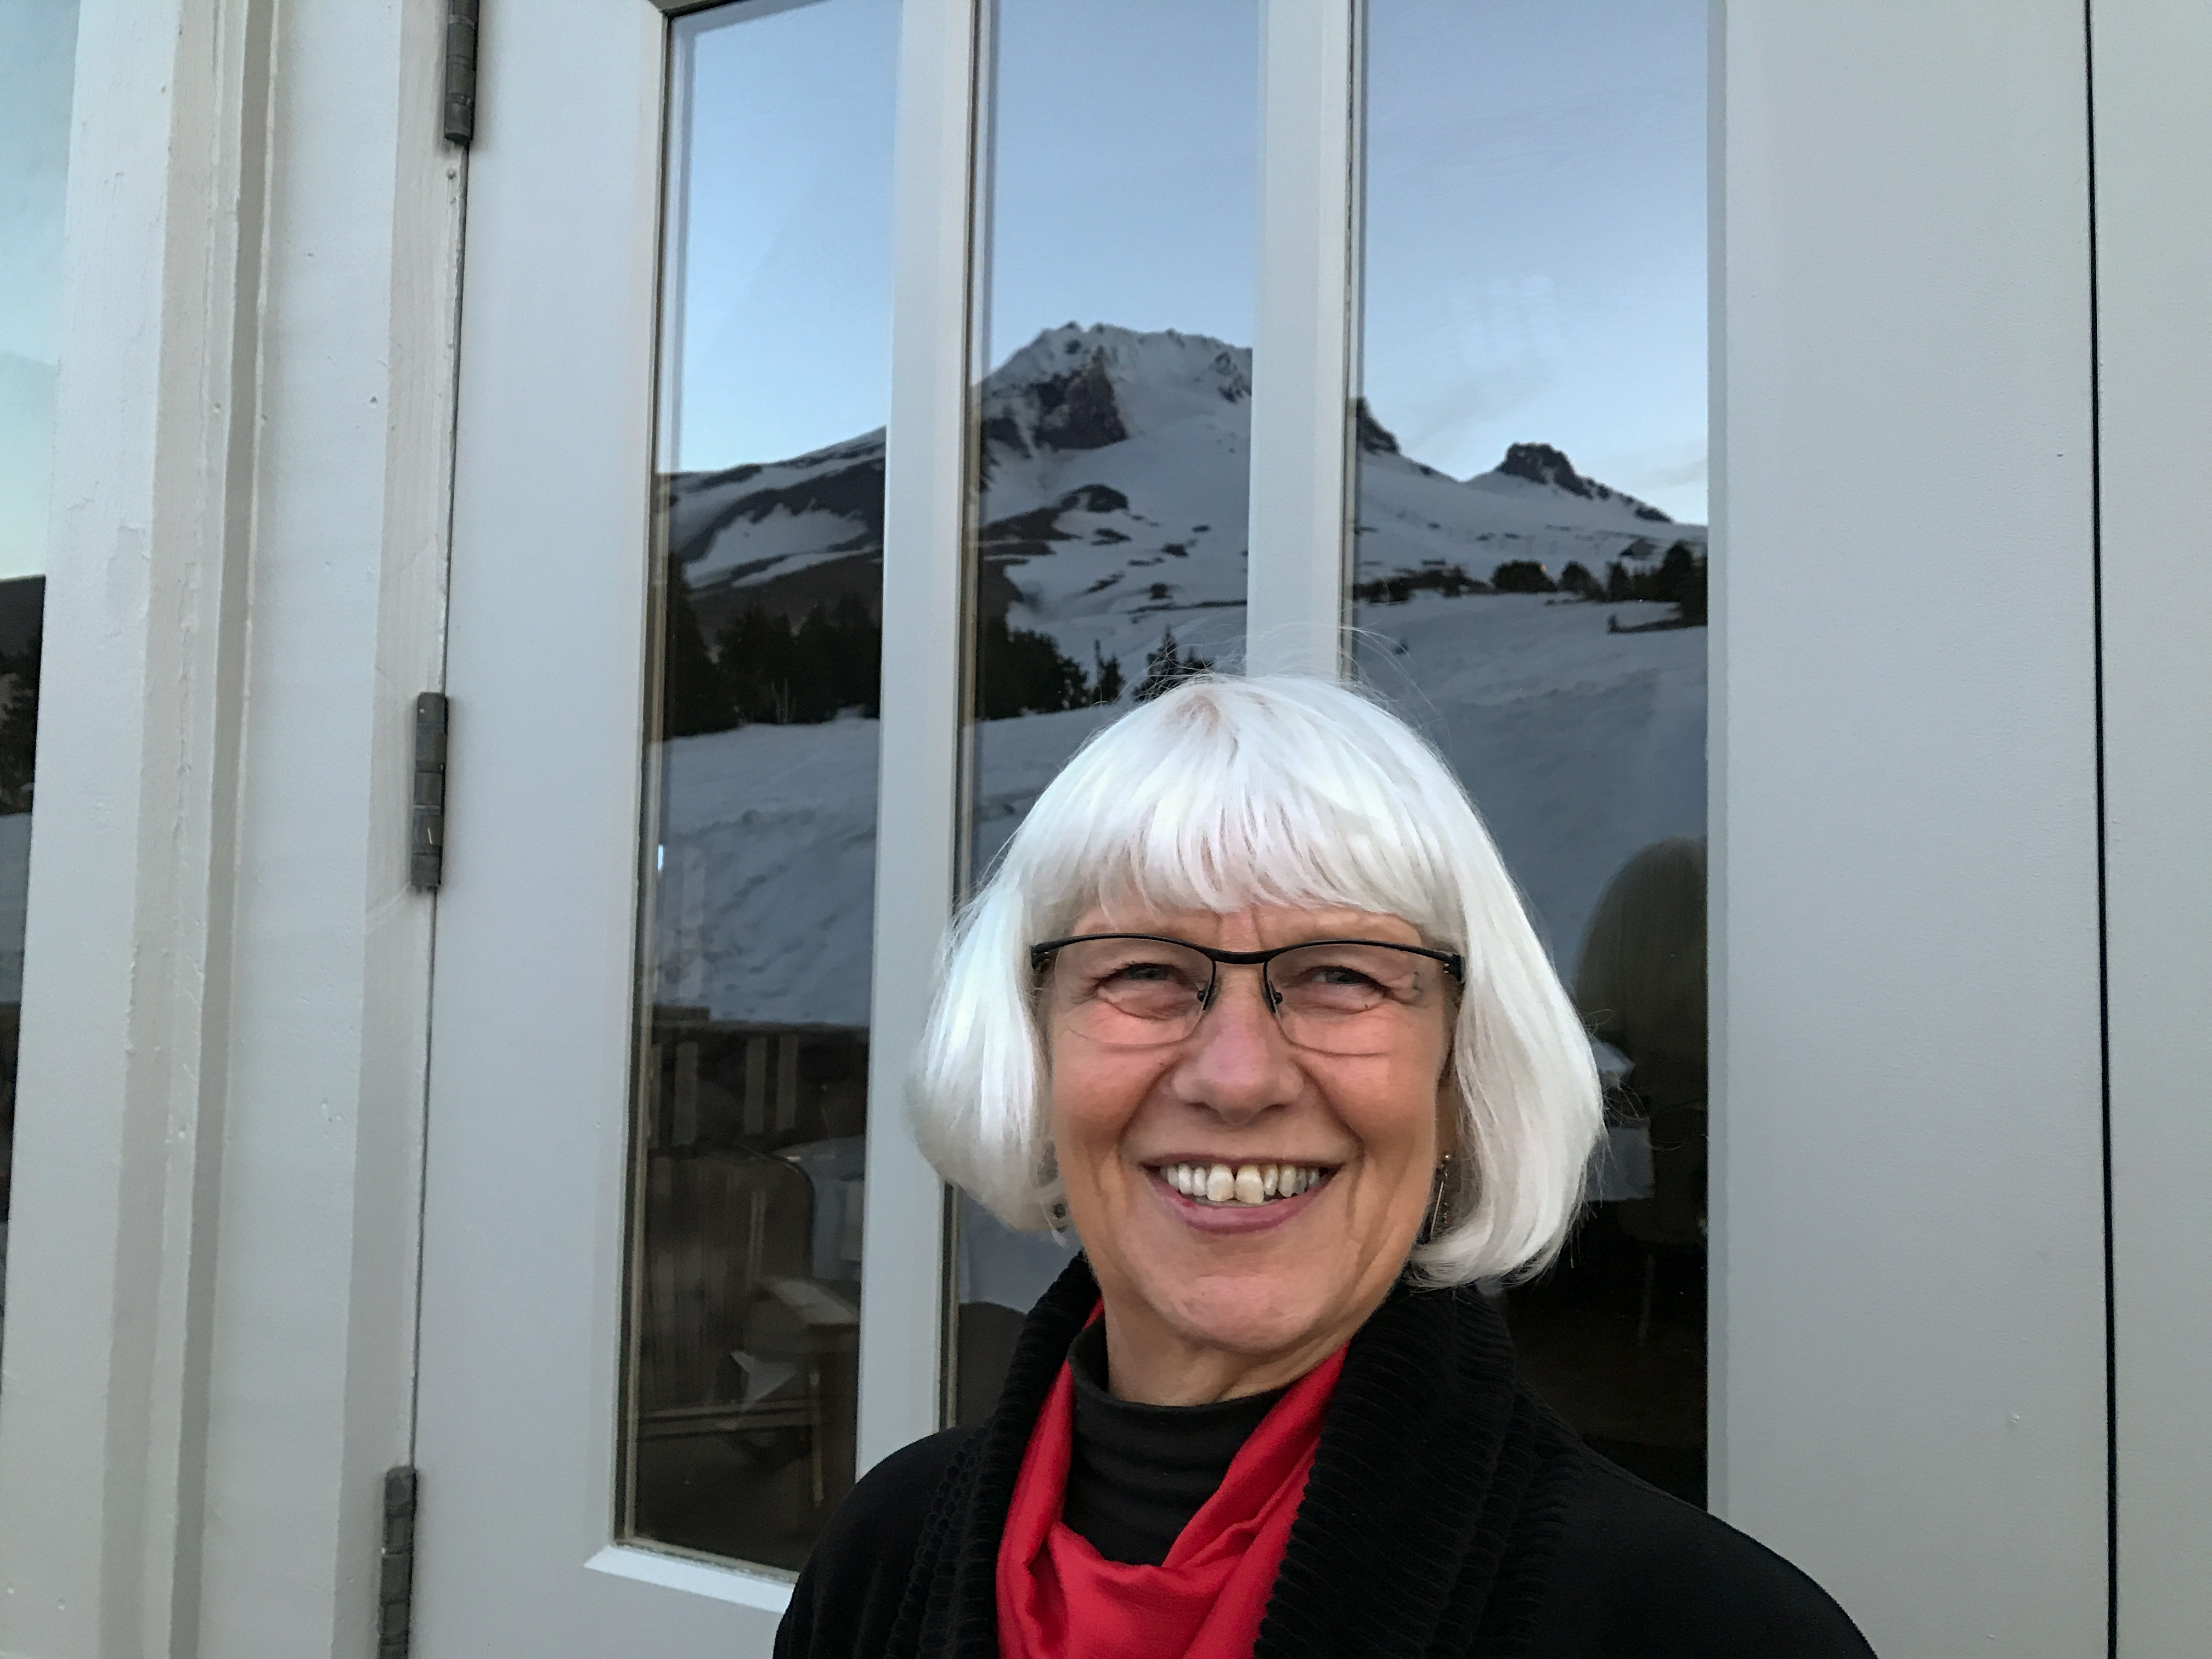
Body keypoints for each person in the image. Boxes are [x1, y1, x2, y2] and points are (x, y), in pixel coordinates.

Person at [775, 674, 1875, 1659]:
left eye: (1343, 974)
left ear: (1457, 1070)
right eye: (1146, 971)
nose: (1239, 1076)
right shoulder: (883, 1558)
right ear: (1032, 1046)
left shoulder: (1700, 1629)